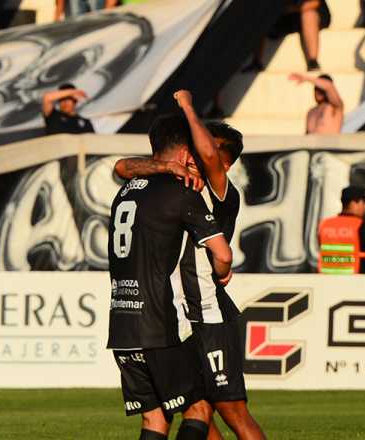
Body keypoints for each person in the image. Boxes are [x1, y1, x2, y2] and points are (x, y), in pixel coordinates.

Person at [114, 91, 266, 440]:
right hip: (179, 315)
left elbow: (210, 155)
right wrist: (165, 165)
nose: (196, 154)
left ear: (224, 163)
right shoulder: (178, 184)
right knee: (197, 410)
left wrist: (187, 107)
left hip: (210, 312)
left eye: (204, 149)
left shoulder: (219, 189)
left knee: (232, 411)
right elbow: (123, 166)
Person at [317, 186, 365, 274]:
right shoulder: (360, 226)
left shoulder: (325, 225)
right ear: (354, 202)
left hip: (327, 281)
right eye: (363, 203)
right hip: (354, 283)